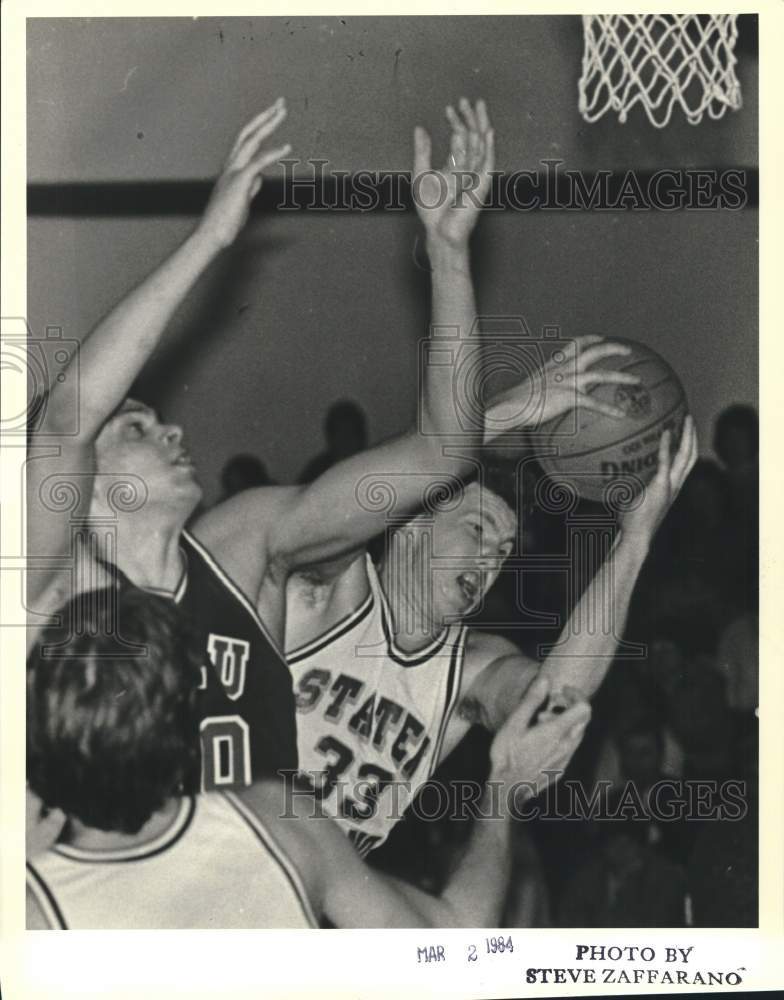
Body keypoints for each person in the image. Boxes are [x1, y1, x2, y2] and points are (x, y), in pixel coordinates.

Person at [26, 96, 542, 799]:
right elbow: (65, 420)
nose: (173, 430)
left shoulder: (242, 549)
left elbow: (443, 453)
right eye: (136, 429)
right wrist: (209, 238)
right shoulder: (55, 588)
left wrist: (449, 258)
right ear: (77, 484)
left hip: (267, 892)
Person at [283, 97, 699, 854]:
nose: (492, 559)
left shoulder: (466, 669)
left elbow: (554, 703)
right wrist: (511, 404)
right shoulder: (323, 589)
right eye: (479, 530)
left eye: (505, 550)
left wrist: (635, 540)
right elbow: (387, 479)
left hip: (307, 920)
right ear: (411, 523)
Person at [26, 582, 590, 929]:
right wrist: (503, 791)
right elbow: (459, 937)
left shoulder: (33, 911)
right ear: (193, 720)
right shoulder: (277, 821)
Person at [298, 399, 368, 484]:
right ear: (331, 437)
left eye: (351, 434)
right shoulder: (316, 472)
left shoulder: (372, 467)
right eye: (341, 435)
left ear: (361, 437)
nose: (346, 441)